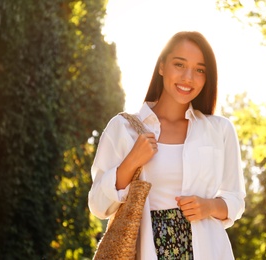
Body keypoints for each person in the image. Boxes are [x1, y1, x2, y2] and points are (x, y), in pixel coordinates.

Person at [88, 31, 246, 260]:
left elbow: (235, 200)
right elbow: (98, 205)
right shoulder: (124, 128)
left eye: (200, 70)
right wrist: (131, 161)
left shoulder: (220, 130)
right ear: (161, 66)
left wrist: (209, 206)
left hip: (208, 251)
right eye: (179, 64)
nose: (188, 77)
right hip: (147, 250)